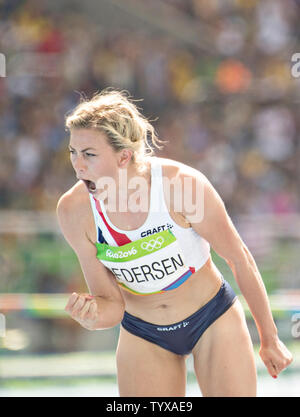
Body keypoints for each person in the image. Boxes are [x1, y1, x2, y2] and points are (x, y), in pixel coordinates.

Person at [57, 88, 292, 397]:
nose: (78, 165)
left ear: (124, 156)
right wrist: (91, 316)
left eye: (89, 154)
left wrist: (270, 337)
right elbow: (112, 306)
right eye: (73, 152)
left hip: (211, 318)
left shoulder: (181, 186)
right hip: (143, 331)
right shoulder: (73, 211)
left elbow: (239, 258)